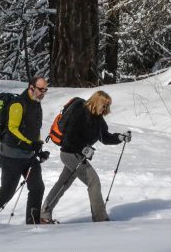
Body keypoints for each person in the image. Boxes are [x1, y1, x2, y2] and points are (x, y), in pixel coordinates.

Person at [0, 77, 51, 226]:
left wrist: (38, 150)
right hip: (11, 155)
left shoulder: (37, 105)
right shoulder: (18, 104)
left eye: (45, 90)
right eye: (40, 89)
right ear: (31, 87)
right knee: (7, 192)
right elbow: (13, 129)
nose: (42, 93)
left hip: (29, 155)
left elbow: (34, 130)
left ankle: (32, 221)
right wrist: (30, 145)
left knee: (37, 187)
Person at [40, 90, 130, 223]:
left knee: (62, 184)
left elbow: (105, 137)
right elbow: (70, 138)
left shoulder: (98, 119)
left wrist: (120, 137)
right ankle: (100, 219)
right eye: (104, 105)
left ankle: (44, 215)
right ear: (96, 102)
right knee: (93, 181)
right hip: (70, 153)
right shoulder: (81, 112)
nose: (106, 109)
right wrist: (84, 148)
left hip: (77, 155)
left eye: (107, 106)